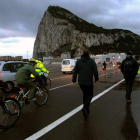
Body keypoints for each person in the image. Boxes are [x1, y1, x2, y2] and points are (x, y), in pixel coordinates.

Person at [72, 50, 99, 117]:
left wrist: (74, 80)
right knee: (90, 95)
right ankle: (85, 107)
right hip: (89, 82)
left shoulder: (78, 61)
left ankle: (86, 109)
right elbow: (95, 71)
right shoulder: (91, 61)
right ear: (88, 54)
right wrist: (96, 79)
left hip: (81, 82)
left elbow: (75, 71)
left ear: (82, 54)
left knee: (85, 94)